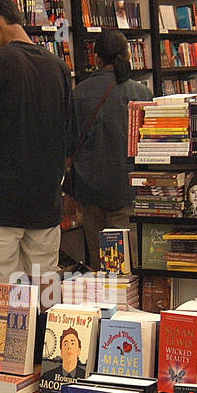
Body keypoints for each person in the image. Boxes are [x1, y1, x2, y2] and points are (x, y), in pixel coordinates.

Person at [0, 0, 75, 286]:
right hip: (44, 200)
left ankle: (6, 334)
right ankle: (48, 331)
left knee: (3, 287)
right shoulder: (58, 67)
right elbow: (68, 140)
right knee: (46, 282)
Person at [70, 30, 152, 271]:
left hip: (88, 190)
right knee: (124, 264)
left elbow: (69, 144)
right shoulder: (141, 93)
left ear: (96, 58)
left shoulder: (79, 93)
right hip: (126, 189)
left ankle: (103, 305)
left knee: (100, 266)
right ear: (128, 55)